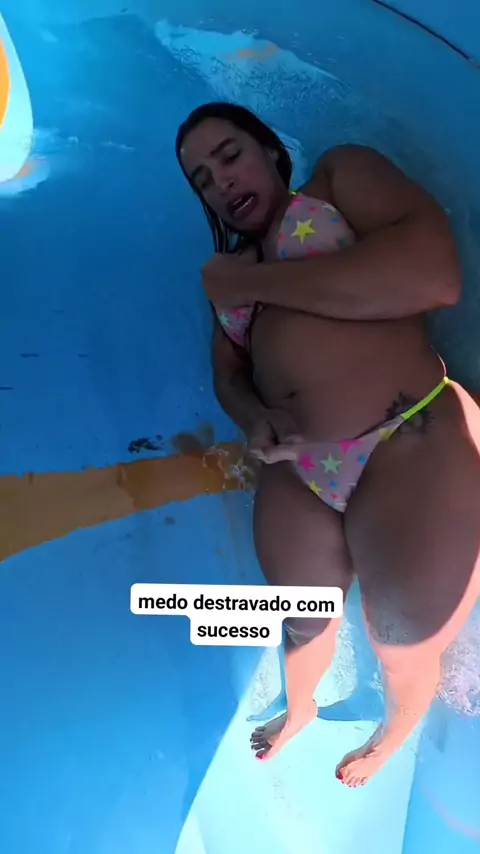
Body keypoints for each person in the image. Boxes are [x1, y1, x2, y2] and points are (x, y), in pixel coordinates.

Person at [175, 102, 480, 787]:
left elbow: (434, 278)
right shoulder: (226, 275)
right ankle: (301, 707)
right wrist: (253, 416)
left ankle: (393, 731)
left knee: (403, 642)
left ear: (272, 151)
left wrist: (248, 284)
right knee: (301, 620)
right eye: (202, 180)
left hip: (408, 437)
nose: (222, 182)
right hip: (302, 470)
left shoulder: (338, 181)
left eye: (230, 156)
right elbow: (229, 375)